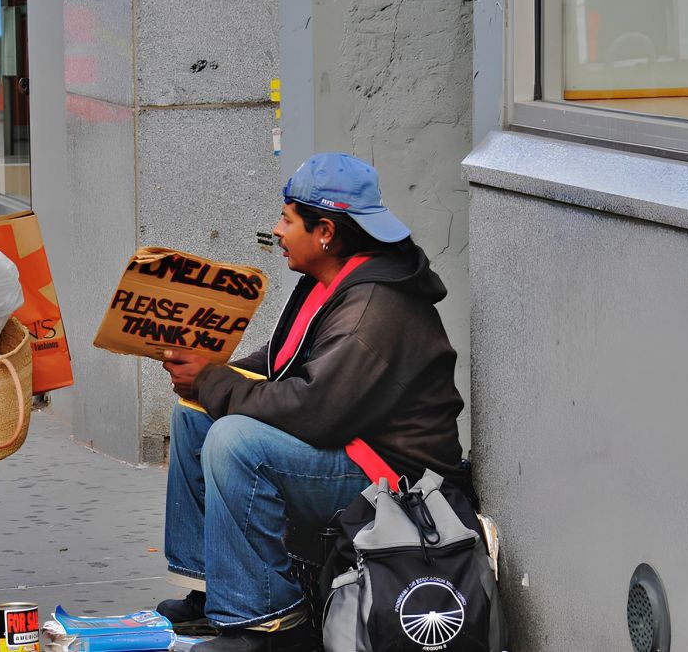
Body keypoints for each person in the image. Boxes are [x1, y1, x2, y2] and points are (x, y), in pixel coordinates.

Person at [157, 153, 466, 652]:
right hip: (350, 442)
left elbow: (314, 411)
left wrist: (214, 382)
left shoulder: (374, 306)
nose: (276, 230)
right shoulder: (331, 280)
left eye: (286, 219)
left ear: (325, 231)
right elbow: (283, 361)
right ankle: (213, 588)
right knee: (194, 417)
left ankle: (262, 621)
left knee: (235, 441)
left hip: (392, 476)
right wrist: (212, 375)